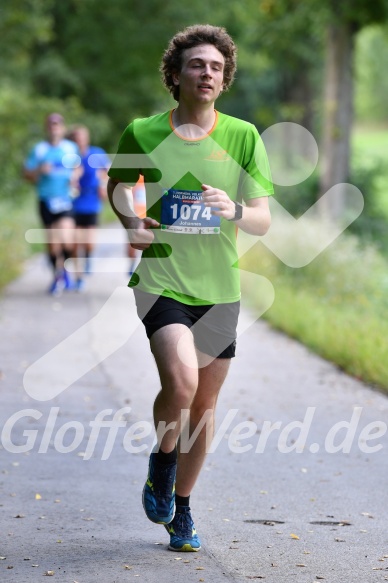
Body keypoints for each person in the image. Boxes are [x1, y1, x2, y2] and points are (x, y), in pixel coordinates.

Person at [107, 24, 273, 552]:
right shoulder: (142, 132)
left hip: (220, 288)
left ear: (224, 82)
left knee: (203, 407)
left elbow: (264, 220)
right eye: (197, 64)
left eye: (217, 67)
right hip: (161, 280)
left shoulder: (244, 136)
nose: (207, 73)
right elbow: (117, 186)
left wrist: (236, 209)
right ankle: (162, 462)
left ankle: (181, 507)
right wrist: (131, 222)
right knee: (180, 385)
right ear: (175, 75)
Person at [23, 113, 78, 295]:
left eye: (57, 124)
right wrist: (39, 170)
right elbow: (27, 174)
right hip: (46, 200)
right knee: (52, 243)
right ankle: (58, 275)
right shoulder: (39, 150)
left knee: (67, 238)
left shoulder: (70, 147)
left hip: (65, 199)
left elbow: (78, 168)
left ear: (62, 128)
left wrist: (75, 177)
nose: (54, 127)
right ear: (47, 128)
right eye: (51, 124)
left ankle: (67, 270)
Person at [68, 125, 110, 291]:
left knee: (89, 241)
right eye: (77, 137)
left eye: (82, 136)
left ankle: (88, 257)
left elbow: (109, 171)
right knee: (75, 241)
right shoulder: (69, 154)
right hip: (74, 201)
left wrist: (103, 184)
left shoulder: (97, 152)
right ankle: (78, 277)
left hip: (92, 199)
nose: (80, 140)